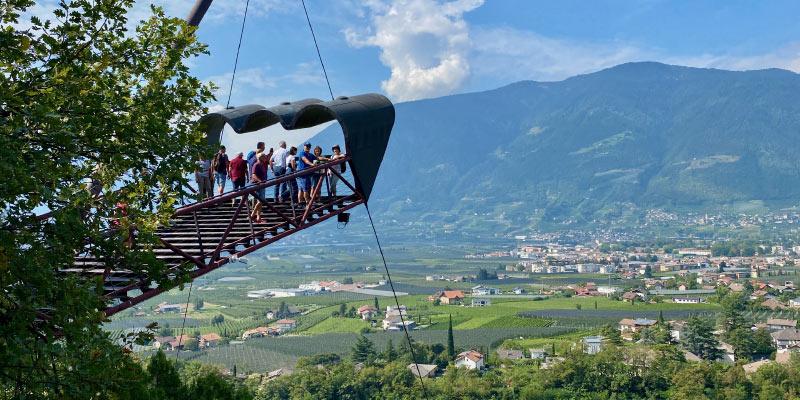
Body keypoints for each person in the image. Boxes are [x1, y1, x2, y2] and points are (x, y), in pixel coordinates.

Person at [249, 153, 269, 222]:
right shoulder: (256, 164)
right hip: (257, 185)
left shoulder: (262, 165)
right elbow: (253, 175)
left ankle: (258, 217)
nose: (265, 158)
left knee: (260, 201)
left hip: (262, 184)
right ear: (260, 157)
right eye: (264, 157)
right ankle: (252, 215)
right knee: (261, 200)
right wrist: (260, 181)